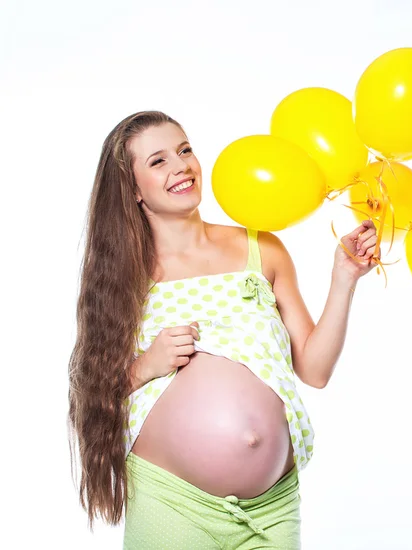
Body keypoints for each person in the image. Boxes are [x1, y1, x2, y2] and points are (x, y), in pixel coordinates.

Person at [68, 110, 379, 549]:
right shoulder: (124, 276)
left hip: (271, 511)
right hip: (173, 504)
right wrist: (147, 365)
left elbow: (314, 369)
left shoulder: (261, 248)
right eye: (158, 161)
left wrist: (344, 278)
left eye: (185, 150)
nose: (181, 166)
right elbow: (92, 391)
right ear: (132, 189)